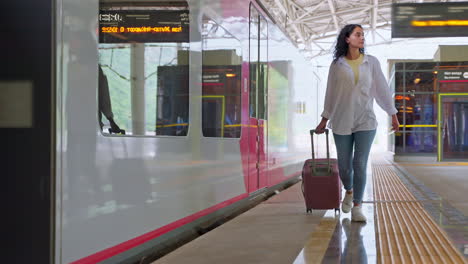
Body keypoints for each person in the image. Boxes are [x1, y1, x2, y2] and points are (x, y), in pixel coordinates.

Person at [315, 24, 399, 222]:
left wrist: (392, 114)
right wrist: (324, 120)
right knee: (344, 167)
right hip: (342, 120)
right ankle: (350, 191)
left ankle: (357, 206)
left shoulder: (371, 62)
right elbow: (331, 94)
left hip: (366, 120)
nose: (362, 38)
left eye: (363, 35)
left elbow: (382, 90)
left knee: (359, 164)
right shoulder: (337, 65)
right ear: (347, 39)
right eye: (358, 34)